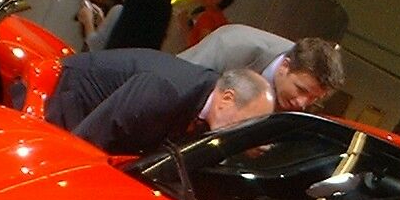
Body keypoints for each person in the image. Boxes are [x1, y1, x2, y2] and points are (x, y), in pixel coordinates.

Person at [44, 49, 273, 155]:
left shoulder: (209, 102)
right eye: (247, 123)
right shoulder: (166, 90)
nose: (244, 133)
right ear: (227, 98)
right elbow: (89, 139)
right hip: (73, 97)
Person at [180, 26, 344, 112]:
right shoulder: (233, 44)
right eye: (300, 89)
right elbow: (176, 84)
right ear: (285, 65)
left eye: (313, 99)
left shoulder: (297, 99)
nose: (302, 103)